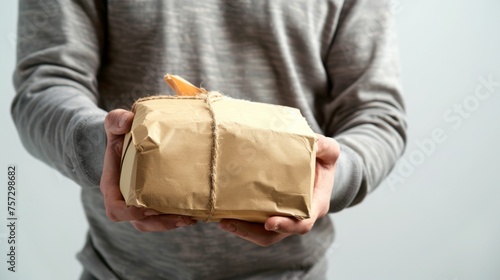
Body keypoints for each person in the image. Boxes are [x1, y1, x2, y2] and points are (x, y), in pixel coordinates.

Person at [11, 0, 406, 279]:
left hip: (292, 274)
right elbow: (43, 87)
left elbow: (375, 115)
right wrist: (110, 154)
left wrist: (327, 178)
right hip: (119, 270)